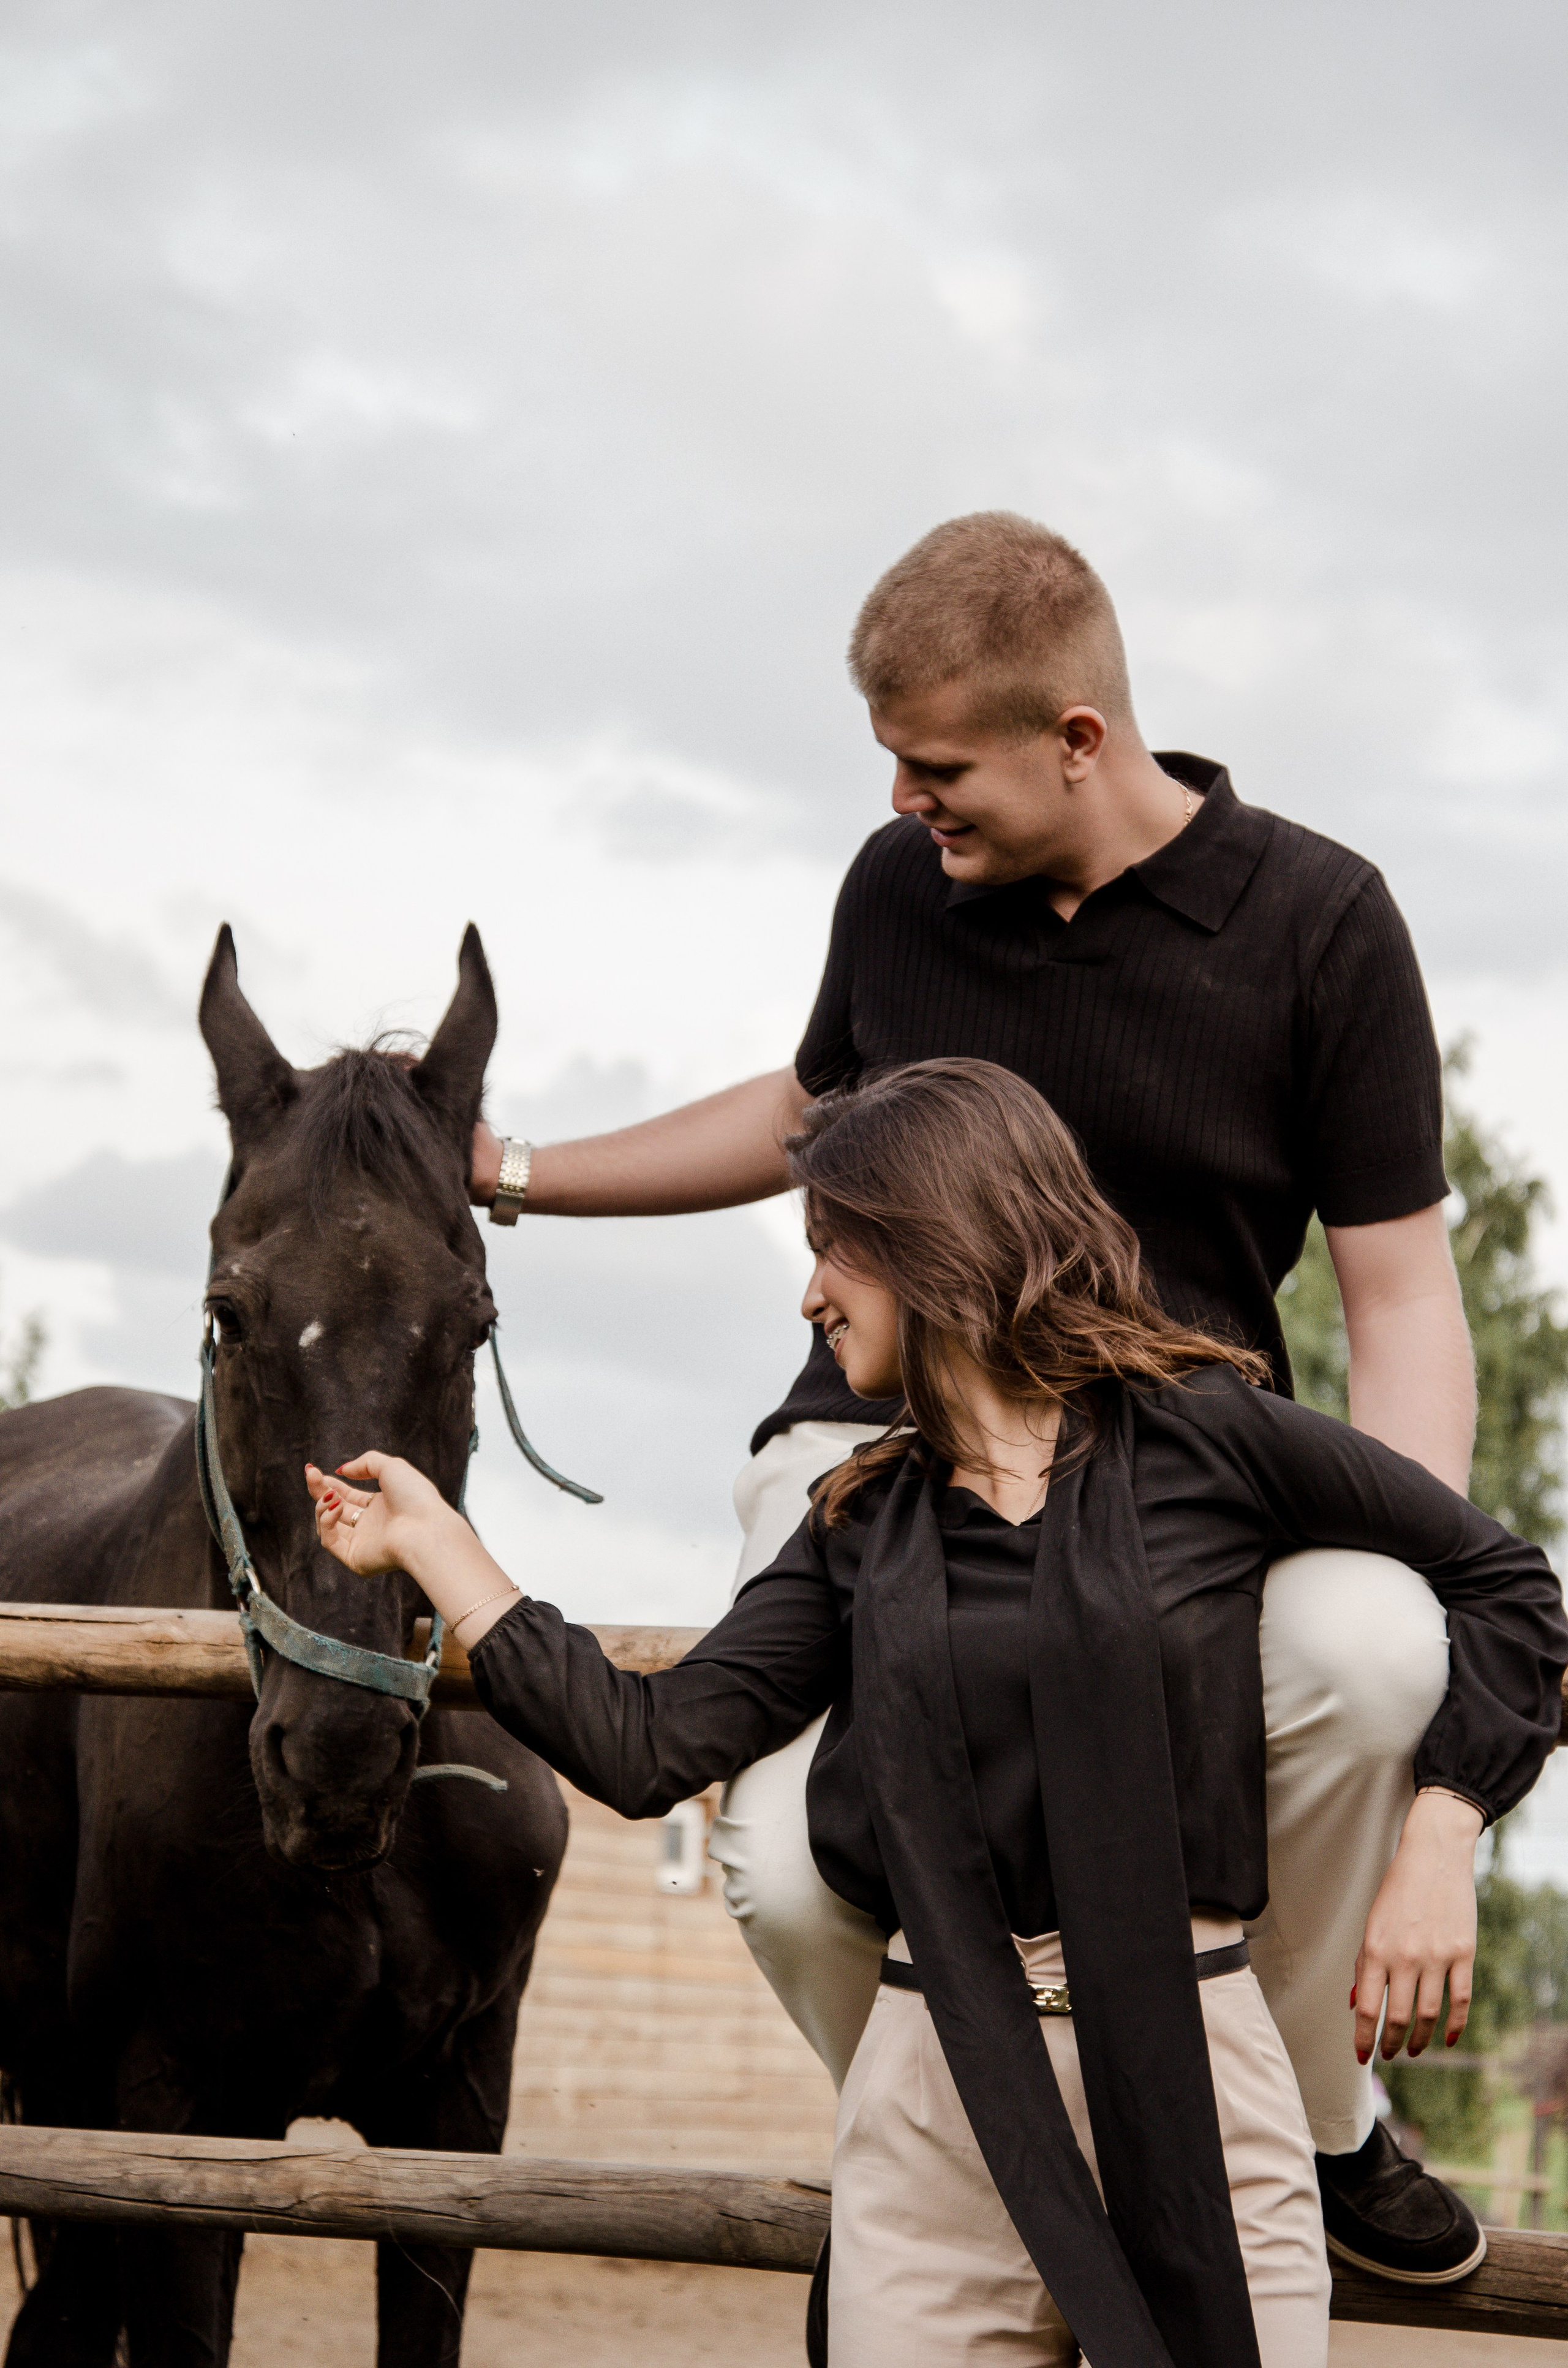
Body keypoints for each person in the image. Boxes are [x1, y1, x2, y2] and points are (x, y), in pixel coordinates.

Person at [469, 512, 1490, 2280]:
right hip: (874, 1454)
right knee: (788, 1876)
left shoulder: (1322, 922)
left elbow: (1401, 1300)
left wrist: (1409, 1552)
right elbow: (807, 1112)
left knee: (1383, 1650)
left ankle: (1302, 2106)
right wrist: (518, 1166)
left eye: (935, 768)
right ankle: (988, 2176)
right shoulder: (901, 893)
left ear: (1077, 738)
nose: (900, 807)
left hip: (1176, 1474)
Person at [312, 1062, 1567, 2368]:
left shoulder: (1205, 1435)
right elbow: (647, 1748)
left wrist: (1438, 1837)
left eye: (829, 1253)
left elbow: (1503, 1583)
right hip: (935, 2105)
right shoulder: (856, 1521)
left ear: (930, 1239)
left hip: (1200, 2083)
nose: (808, 1298)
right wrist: (440, 1545)